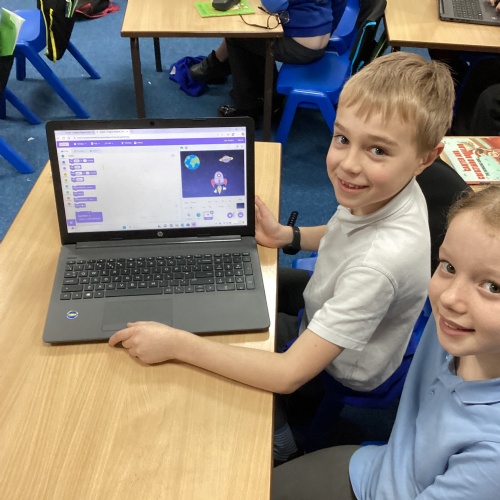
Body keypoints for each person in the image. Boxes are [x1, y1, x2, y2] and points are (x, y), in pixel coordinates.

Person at [108, 51, 455, 461]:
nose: (348, 165)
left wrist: (176, 344)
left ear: (425, 158)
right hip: (333, 299)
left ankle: (282, 441)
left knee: (220, 349)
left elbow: (288, 374)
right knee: (238, 291)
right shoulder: (388, 190)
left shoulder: (379, 264)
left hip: (344, 366)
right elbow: (345, 231)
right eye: (342, 138)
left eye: (377, 150)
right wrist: (287, 235)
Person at [272, 185, 500, 500]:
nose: (449, 298)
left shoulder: (491, 458)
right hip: (380, 467)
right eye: (449, 266)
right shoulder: (460, 330)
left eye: (493, 287)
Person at [190, 0, 349, 120]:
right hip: (320, 40)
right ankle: (267, 96)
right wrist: (324, 30)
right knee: (258, 38)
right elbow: (339, 3)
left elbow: (274, 5)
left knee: (239, 36)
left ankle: (246, 109)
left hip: (300, 48)